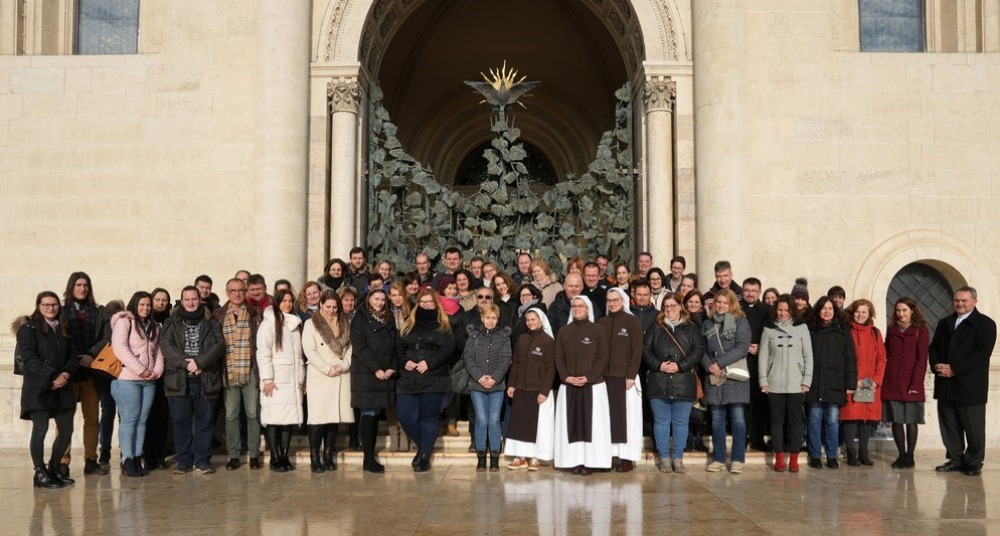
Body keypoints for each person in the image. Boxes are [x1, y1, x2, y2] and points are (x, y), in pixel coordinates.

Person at [14, 291, 80, 488]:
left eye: (54, 305)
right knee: (40, 430)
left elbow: (73, 354)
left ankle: (54, 468)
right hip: (38, 388)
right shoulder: (28, 329)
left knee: (66, 430)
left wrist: (65, 374)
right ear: (38, 306)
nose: (51, 308)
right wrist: (53, 375)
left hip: (62, 387)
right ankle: (40, 473)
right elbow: (29, 358)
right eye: (46, 305)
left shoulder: (63, 327)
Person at [930, 286, 997, 476]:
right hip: (946, 384)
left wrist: (955, 369)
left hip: (970, 386)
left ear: (974, 301)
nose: (959, 304)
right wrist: (936, 365)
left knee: (974, 428)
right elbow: (934, 348)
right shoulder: (945, 322)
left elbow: (981, 354)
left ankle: (974, 462)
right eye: (957, 300)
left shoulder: (985, 324)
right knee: (949, 425)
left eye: (964, 300)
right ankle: (955, 459)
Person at [160, 286, 225, 475]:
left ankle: (202, 461)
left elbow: (219, 344)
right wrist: (186, 363)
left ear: (200, 300)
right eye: (187, 299)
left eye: (194, 299)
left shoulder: (211, 322)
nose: (190, 303)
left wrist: (200, 362)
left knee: (205, 423)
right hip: (178, 381)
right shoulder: (171, 322)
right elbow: (166, 346)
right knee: (181, 423)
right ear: (181, 301)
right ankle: (184, 462)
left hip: (205, 380)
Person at [643, 292, 704, 474]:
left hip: (683, 381)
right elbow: (645, 350)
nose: (669, 309)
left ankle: (678, 458)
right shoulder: (656, 327)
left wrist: (680, 366)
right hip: (658, 380)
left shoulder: (691, 328)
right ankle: (664, 458)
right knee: (661, 421)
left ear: (680, 307)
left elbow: (698, 350)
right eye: (666, 306)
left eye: (673, 306)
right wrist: (659, 365)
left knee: (680, 422)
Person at [397, 289, 456, 472]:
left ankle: (424, 457)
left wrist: (429, 362)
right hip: (408, 378)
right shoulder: (408, 324)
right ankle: (424, 447)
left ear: (436, 304)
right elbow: (398, 347)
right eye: (423, 302)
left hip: (433, 378)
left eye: (430, 302)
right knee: (405, 415)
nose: (426, 305)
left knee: (429, 418)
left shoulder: (443, 325)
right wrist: (404, 361)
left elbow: (448, 348)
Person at [554, 296, 612, 475]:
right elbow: (558, 357)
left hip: (593, 387)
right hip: (569, 386)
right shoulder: (564, 331)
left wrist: (589, 377)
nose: (577, 308)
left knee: (592, 426)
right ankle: (575, 460)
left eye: (581, 306)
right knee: (573, 425)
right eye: (574, 306)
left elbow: (603, 356)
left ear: (588, 309)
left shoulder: (597, 330)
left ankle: (592, 461)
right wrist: (566, 377)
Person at [60, 272, 110, 476]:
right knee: (65, 419)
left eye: (85, 285)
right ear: (71, 287)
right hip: (68, 373)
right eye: (78, 285)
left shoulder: (98, 311)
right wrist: (74, 358)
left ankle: (91, 460)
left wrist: (91, 354)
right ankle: (62, 462)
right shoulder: (60, 310)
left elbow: (106, 337)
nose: (82, 288)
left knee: (92, 419)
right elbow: (58, 338)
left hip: (90, 373)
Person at [110, 291, 165, 477]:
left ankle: (136, 457)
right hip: (128, 379)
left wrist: (156, 371)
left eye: (148, 305)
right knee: (130, 419)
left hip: (149, 381)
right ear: (134, 304)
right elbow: (120, 348)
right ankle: (127, 458)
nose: (145, 308)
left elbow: (158, 352)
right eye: (142, 304)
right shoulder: (125, 322)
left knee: (142, 420)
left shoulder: (154, 327)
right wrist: (141, 370)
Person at [212, 278, 264, 471]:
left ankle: (254, 454)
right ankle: (233, 455)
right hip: (229, 371)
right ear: (227, 293)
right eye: (233, 290)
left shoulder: (255, 313)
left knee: (253, 414)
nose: (237, 293)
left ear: (245, 292)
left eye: (240, 290)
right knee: (231, 415)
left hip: (250, 370)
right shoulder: (218, 315)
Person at [351, 288, 404, 473]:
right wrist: (376, 369)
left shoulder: (388, 318)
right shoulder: (360, 318)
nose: (380, 302)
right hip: (367, 374)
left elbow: (395, 344)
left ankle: (370, 457)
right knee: (368, 414)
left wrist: (393, 367)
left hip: (385, 373)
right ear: (369, 299)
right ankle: (368, 458)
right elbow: (360, 347)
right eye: (376, 299)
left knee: (374, 414)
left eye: (382, 299)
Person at [758, 295, 812, 473]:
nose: (782, 313)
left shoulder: (802, 328)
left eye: (786, 310)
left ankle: (794, 459)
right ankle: (779, 459)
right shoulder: (769, 329)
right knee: (776, 421)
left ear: (792, 311)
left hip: (797, 383)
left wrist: (807, 380)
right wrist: (763, 380)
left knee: (796, 421)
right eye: (779, 310)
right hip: (774, 382)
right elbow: (763, 357)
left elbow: (808, 356)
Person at [302, 290, 354, 473]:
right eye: (328, 307)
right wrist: (327, 368)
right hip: (320, 375)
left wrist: (344, 365)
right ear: (320, 305)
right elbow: (309, 350)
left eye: (335, 307)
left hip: (340, 373)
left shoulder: (345, 323)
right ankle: (315, 457)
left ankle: (329, 456)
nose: (332, 311)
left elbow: (350, 348)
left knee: (333, 418)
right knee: (318, 419)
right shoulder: (311, 324)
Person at [701, 289, 751, 474]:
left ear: (731, 304)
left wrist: (719, 363)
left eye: (725, 302)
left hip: (734, 374)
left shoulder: (740, 321)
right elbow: (701, 349)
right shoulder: (707, 323)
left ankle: (737, 459)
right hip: (714, 374)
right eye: (718, 302)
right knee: (717, 419)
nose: (721, 305)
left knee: (737, 419)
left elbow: (742, 348)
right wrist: (710, 366)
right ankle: (719, 458)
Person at [805, 296, 856, 470]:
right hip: (814, 382)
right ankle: (815, 455)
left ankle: (832, 455)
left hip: (835, 383)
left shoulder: (842, 332)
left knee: (833, 420)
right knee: (814, 419)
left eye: (830, 308)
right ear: (818, 310)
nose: (827, 311)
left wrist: (850, 384)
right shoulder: (811, 330)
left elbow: (850, 359)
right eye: (824, 308)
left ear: (835, 311)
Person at [257, 290, 305, 472]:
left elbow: (299, 355)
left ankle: (284, 455)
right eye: (284, 301)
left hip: (292, 380)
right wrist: (267, 378)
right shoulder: (268, 324)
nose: (287, 304)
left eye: (290, 301)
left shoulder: (295, 324)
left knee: (288, 419)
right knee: (274, 418)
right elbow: (263, 353)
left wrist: (301, 378)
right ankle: (275, 456)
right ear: (277, 302)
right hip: (276, 380)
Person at [598, 288, 644, 472]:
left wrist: (631, 375)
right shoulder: (601, 322)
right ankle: (608, 456)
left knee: (627, 419)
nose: (612, 303)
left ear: (622, 301)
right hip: (605, 379)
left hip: (626, 379)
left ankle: (627, 458)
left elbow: (637, 350)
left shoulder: (631, 321)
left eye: (615, 300)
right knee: (607, 419)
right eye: (609, 300)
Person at [505, 308, 556, 470]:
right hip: (521, 388)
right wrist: (511, 384)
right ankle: (520, 457)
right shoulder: (522, 339)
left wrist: (544, 392)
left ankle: (535, 457)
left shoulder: (548, 341)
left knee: (538, 426)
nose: (530, 322)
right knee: (520, 425)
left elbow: (551, 368)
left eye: (533, 319)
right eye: (528, 320)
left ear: (541, 320)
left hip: (538, 390)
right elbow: (516, 363)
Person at [464, 304, 513, 472]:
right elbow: (468, 358)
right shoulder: (474, 335)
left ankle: (494, 456)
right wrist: (480, 377)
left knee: (493, 421)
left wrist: (494, 379)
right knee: (481, 420)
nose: (490, 321)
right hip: (477, 385)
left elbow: (506, 359)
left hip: (496, 386)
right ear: (482, 318)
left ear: (498, 319)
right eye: (487, 318)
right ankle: (480, 456)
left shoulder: (504, 336)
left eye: (494, 318)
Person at [883, 297, 929, 469]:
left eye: (904, 310)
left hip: (911, 382)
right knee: (896, 421)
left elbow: (922, 359)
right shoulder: (891, 329)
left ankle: (910, 456)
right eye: (898, 310)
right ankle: (901, 454)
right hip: (892, 381)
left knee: (911, 420)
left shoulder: (921, 330)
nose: (901, 314)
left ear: (912, 311)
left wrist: (916, 384)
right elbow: (886, 351)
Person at [842, 299, 886, 467]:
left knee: (865, 418)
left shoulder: (875, 333)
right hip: (852, 383)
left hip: (869, 383)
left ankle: (863, 452)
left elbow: (881, 358)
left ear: (869, 314)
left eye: (864, 312)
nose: (860, 315)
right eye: (857, 311)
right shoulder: (847, 331)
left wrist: (875, 380)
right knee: (850, 417)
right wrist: (852, 381)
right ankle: (851, 453)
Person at [741, 277, 773, 452]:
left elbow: (773, 334)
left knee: (760, 403)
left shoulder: (768, 311)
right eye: (747, 290)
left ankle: (758, 438)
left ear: (759, 292)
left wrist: (761, 346)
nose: (750, 294)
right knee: (743, 403)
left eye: (754, 291)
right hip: (741, 362)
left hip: (761, 363)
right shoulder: (737, 309)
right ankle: (743, 437)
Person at [144, 288, 172, 471]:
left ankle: (160, 456)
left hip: (166, 376)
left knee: (162, 418)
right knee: (147, 417)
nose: (161, 303)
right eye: (157, 299)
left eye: (164, 300)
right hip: (147, 374)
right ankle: (148, 456)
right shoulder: (145, 321)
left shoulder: (172, 321)